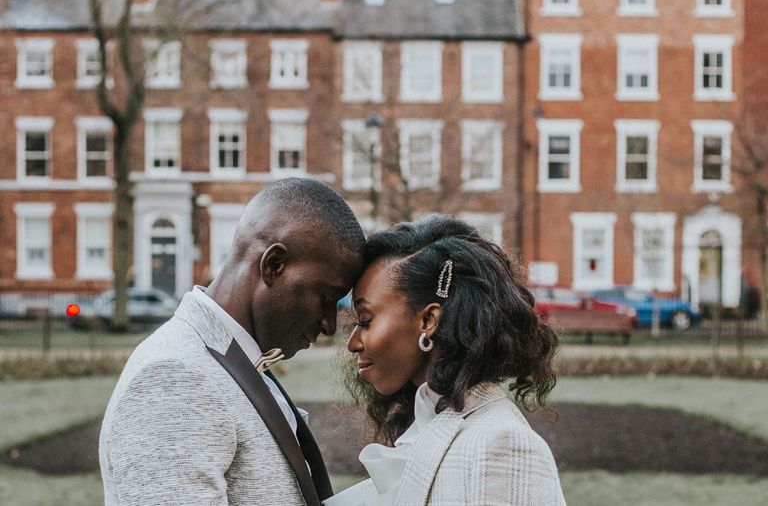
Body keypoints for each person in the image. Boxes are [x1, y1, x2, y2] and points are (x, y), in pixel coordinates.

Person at [99, 178, 365, 506]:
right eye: (326, 297)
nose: (329, 324)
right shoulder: (174, 379)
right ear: (273, 265)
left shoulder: (231, 357)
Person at [330, 215, 566, 506]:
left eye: (365, 320)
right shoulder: (429, 424)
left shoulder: (501, 444)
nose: (353, 343)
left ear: (429, 320)